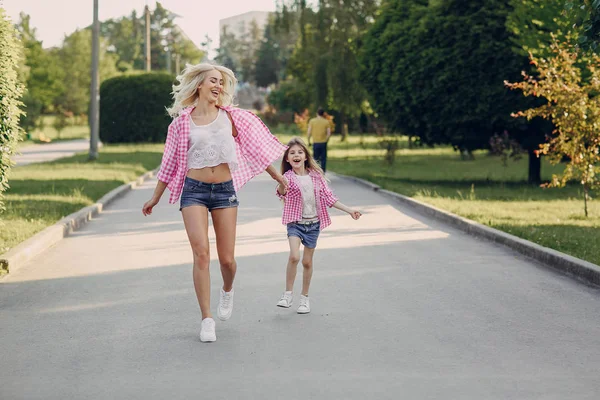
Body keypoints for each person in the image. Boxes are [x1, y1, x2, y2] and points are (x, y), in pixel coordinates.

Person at [142, 63, 288, 342]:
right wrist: (155, 197)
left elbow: (256, 151)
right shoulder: (181, 124)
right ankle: (206, 319)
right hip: (193, 191)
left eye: (221, 82)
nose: (218, 86)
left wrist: (279, 178)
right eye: (213, 80)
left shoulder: (232, 118)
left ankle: (228, 289)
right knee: (201, 254)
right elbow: (169, 163)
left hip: (224, 191)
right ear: (199, 85)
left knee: (228, 260)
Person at [275, 137, 361, 314]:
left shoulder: (315, 177)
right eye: (292, 153)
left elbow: (329, 198)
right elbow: (281, 192)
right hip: (295, 224)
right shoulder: (287, 177)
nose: (296, 155)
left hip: (313, 224)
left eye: (300, 152)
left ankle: (304, 298)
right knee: (294, 256)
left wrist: (349, 210)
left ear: (306, 156)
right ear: (287, 159)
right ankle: (287, 294)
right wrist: (281, 182)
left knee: (307, 262)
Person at [307, 107, 332, 172]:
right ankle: (323, 172)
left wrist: (309, 141)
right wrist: (326, 140)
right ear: (323, 114)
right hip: (323, 143)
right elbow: (329, 133)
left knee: (315, 158)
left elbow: (309, 132)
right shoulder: (326, 122)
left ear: (317, 113)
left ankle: (315, 171)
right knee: (323, 158)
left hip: (316, 143)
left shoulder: (312, 121)